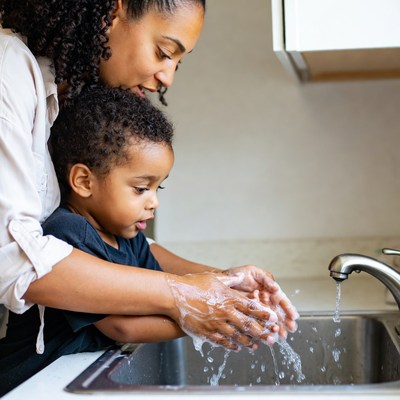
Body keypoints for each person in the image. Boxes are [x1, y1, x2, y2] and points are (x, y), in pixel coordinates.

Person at [0, 0, 298, 373]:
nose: (167, 77)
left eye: (177, 61)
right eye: (163, 52)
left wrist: (222, 284)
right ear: (114, 10)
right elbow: (13, 260)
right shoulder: (7, 70)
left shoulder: (65, 94)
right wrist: (189, 297)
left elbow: (127, 250)